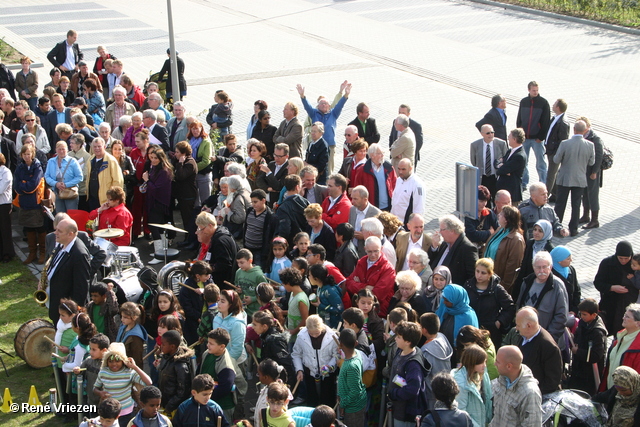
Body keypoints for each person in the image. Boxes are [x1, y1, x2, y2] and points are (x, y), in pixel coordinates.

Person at [553, 120, 596, 236]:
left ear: (574, 129)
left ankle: (557, 227)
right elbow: (592, 162)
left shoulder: (565, 143)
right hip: (580, 179)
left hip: (565, 178)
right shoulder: (590, 145)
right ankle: (573, 229)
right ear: (584, 131)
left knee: (560, 204)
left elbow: (556, 160)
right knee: (576, 205)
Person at [94, 342, 152, 426]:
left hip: (126, 412)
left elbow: (149, 382)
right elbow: (95, 388)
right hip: (109, 414)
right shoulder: (103, 372)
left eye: (117, 361)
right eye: (110, 361)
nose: (114, 364)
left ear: (123, 360)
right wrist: (100, 393)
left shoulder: (129, 372)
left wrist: (135, 367)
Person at [297, 82, 350, 173]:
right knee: (314, 168)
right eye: (321, 103)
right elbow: (307, 106)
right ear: (317, 106)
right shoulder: (314, 113)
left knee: (329, 169)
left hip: (330, 145)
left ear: (329, 106)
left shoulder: (333, 113)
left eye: (325, 103)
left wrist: (346, 94)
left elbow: (340, 105)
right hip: (316, 145)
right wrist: (302, 96)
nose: (323, 105)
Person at [515, 251, 568, 342]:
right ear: (533, 267)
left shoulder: (557, 286)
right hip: (526, 337)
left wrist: (547, 338)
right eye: (538, 267)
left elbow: (561, 316)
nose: (541, 271)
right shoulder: (527, 282)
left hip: (547, 339)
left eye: (544, 267)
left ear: (550, 267)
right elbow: (519, 305)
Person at [464, 258, 515, 349]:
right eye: (477, 271)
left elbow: (510, 307)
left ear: (490, 274)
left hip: (490, 332)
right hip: (471, 330)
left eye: (483, 273)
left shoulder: (497, 289)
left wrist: (499, 322)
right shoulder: (468, 285)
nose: (479, 275)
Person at [490, 345, 542, 427]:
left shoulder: (530, 393)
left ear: (509, 366)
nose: (494, 364)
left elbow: (532, 424)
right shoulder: (502, 380)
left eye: (498, 362)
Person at [345, 236, 396, 317]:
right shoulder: (362, 262)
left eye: (376, 251)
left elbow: (377, 294)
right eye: (369, 251)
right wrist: (366, 287)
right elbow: (348, 283)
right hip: (361, 310)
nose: (373, 255)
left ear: (382, 248)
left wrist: (357, 284)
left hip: (378, 312)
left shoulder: (388, 269)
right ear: (365, 249)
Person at [595, 241, 637, 336]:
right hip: (610, 305)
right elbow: (598, 283)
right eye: (620, 258)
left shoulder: (636, 264)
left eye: (626, 258)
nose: (623, 261)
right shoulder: (607, 263)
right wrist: (612, 288)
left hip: (630, 306)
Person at [568, 298, 607, 395]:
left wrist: (578, 351)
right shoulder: (583, 323)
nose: (582, 316)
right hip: (579, 368)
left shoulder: (597, 332)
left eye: (585, 314)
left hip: (589, 374)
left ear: (594, 315)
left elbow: (596, 356)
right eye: (581, 313)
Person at [15, 145, 46, 264]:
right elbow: (16, 185)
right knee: (28, 228)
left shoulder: (38, 167)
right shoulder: (19, 168)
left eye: (29, 154)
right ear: (21, 155)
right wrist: (24, 184)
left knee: (40, 227)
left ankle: (42, 252)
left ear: (32, 154)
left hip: (36, 203)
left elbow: (34, 184)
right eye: (24, 154)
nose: (26, 156)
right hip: (24, 203)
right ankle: (32, 253)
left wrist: (24, 184)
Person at [483, 205, 525, 292]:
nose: (498, 215)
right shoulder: (500, 230)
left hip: (499, 284)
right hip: (487, 277)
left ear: (506, 219)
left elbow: (512, 266)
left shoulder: (516, 240)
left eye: (501, 214)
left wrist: (503, 286)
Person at [517, 81, 550, 189]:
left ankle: (542, 184)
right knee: (523, 162)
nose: (535, 92)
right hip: (525, 138)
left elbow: (546, 122)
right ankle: (524, 182)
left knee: (541, 163)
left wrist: (541, 137)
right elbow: (519, 118)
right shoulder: (524, 102)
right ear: (529, 90)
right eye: (533, 90)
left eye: (537, 90)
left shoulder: (544, 103)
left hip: (537, 139)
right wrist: (520, 133)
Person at [428, 215, 479, 286]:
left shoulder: (468, 249)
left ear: (452, 230)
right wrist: (434, 247)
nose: (440, 232)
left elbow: (473, 276)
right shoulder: (445, 243)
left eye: (442, 229)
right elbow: (431, 262)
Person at [142, 148, 173, 264]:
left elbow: (156, 189)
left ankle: (159, 255)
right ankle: (161, 252)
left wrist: (147, 180)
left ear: (161, 159)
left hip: (159, 203)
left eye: (156, 158)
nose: (153, 160)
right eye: (152, 158)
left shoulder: (164, 171)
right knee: (159, 227)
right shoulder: (155, 168)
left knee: (154, 226)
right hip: (154, 201)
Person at [451, 343, 493, 427]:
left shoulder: (483, 374)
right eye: (481, 363)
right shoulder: (461, 384)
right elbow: (460, 412)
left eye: (485, 361)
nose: (484, 365)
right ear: (472, 363)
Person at [602, 303, 640, 390]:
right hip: (611, 389)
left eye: (627, 317)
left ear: (638, 323)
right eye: (624, 315)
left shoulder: (637, 347)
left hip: (623, 395)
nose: (623, 318)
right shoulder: (620, 336)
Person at [195, 212, 238, 288]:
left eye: (201, 229)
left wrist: (206, 268)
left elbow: (224, 265)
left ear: (210, 226)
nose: (200, 231)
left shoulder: (220, 241)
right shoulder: (219, 234)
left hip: (224, 283)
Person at [158, 330, 194, 414]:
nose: (161, 346)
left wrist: (170, 406)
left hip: (174, 408)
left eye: (163, 344)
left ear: (172, 346)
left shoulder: (180, 366)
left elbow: (183, 391)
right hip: (164, 402)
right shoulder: (166, 357)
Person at [337, 328, 367, 427]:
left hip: (353, 409)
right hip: (351, 406)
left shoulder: (351, 366)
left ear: (340, 344)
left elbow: (355, 391)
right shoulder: (357, 353)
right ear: (356, 343)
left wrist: (342, 404)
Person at [578, 116, 605, 229]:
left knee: (593, 195)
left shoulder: (596, 139)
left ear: (587, 127)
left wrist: (594, 172)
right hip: (583, 170)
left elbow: (599, 157)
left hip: (592, 172)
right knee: (585, 194)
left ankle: (595, 220)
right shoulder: (581, 137)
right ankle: (585, 215)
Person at [352, 143, 396, 211]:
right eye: (379, 153)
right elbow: (358, 189)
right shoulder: (362, 170)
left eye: (383, 153)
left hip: (388, 207)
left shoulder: (389, 168)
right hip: (371, 208)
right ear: (372, 155)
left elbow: (395, 185)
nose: (382, 155)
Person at [85, 137, 124, 210]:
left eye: (99, 146)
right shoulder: (90, 160)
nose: (97, 148)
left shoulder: (111, 160)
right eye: (95, 146)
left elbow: (118, 181)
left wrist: (113, 199)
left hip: (106, 200)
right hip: (92, 198)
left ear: (104, 147)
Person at [436, 284, 479, 350]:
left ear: (456, 300)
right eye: (443, 299)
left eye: (447, 300)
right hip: (441, 348)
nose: (444, 302)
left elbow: (470, 342)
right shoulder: (444, 307)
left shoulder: (468, 316)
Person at [45, 140, 83, 213]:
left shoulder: (73, 161)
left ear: (67, 150)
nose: (61, 151)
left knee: (71, 214)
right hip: (56, 191)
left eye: (63, 149)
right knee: (60, 214)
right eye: (59, 149)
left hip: (70, 191)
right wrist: (56, 183)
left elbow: (79, 177)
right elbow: (47, 176)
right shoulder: (51, 161)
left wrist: (66, 185)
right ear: (56, 150)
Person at [173, 140, 198, 245]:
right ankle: (187, 238)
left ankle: (189, 240)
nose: (175, 154)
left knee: (188, 218)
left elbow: (181, 176)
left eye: (177, 152)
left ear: (183, 153)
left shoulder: (189, 163)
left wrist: (180, 164)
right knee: (184, 217)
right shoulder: (185, 162)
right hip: (182, 195)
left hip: (188, 195)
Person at [274, 174, 311, 245]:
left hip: (291, 243)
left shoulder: (283, 207)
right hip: (305, 241)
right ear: (297, 187)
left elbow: (284, 229)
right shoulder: (306, 202)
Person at [496, 128, 527, 205]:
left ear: (514, 139)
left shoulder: (519, 156)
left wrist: (502, 167)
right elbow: (497, 163)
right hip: (504, 190)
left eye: (509, 137)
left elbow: (501, 170)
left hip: (511, 193)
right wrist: (502, 166)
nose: (508, 139)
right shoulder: (510, 151)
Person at [186, 120, 213, 205]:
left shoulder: (206, 142)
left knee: (205, 200)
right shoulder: (188, 141)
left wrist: (193, 168)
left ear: (201, 129)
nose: (195, 131)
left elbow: (206, 161)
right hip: (192, 176)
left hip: (203, 174)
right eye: (193, 129)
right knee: (195, 200)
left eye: (197, 129)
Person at [390, 158, 424, 225]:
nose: (400, 172)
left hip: (406, 223)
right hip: (395, 222)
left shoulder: (417, 184)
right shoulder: (399, 180)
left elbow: (419, 208)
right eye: (399, 169)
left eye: (403, 169)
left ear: (410, 168)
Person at [109, 140, 135, 205]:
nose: (117, 151)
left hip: (125, 188)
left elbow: (133, 172)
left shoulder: (127, 159)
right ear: (111, 149)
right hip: (111, 188)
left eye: (119, 149)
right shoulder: (108, 160)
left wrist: (127, 174)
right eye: (115, 149)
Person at [0, 153, 14, 262]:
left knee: (5, 229)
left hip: (4, 204)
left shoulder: (6, 172)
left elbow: (1, 189)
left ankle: (7, 253)